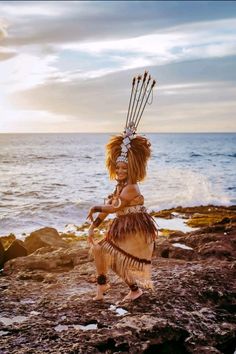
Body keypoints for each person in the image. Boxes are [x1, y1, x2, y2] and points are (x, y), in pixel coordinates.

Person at [87, 72, 158, 302]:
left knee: (107, 253)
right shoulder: (119, 187)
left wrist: (95, 208)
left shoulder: (131, 189)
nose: (120, 171)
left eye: (125, 169)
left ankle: (111, 287)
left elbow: (115, 208)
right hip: (124, 227)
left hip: (135, 231)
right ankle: (115, 287)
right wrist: (94, 225)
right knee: (102, 252)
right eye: (118, 168)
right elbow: (110, 205)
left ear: (133, 169)